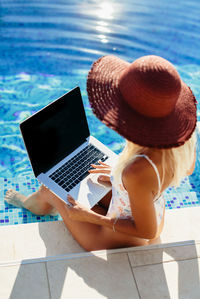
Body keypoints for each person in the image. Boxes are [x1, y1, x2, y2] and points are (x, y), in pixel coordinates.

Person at [5, 55, 197, 251]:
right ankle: (45, 202)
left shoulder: (137, 171)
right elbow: (183, 171)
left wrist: (89, 216)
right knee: (83, 181)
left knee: (51, 188)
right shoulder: (183, 138)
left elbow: (146, 232)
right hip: (152, 210)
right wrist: (118, 178)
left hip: (126, 236)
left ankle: (34, 204)